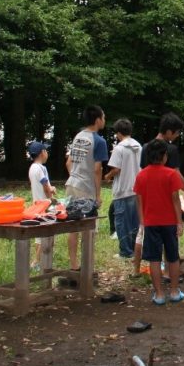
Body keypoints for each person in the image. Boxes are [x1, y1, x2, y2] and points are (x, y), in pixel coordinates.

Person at [134, 112, 184, 275]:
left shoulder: (146, 147)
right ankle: (167, 273)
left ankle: (137, 270)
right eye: (177, 132)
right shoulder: (169, 149)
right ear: (169, 131)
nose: (177, 136)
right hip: (166, 198)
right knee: (168, 238)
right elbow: (176, 174)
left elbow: (144, 172)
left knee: (145, 234)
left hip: (148, 198)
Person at [132, 138, 184, 305]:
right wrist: (179, 222)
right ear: (164, 156)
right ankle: (175, 292)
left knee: (154, 259)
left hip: (150, 223)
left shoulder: (141, 175)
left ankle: (160, 294)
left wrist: (142, 222)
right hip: (169, 222)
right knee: (173, 257)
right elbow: (176, 199)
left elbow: (139, 201)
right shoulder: (171, 174)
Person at [65, 105, 108, 274]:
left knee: (73, 226)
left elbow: (68, 162)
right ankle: (87, 265)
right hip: (87, 189)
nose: (104, 120)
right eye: (103, 117)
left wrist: (76, 176)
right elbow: (97, 170)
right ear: (98, 120)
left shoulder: (78, 137)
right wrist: (98, 194)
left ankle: (74, 264)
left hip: (71, 185)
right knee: (89, 228)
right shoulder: (99, 141)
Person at [103, 119, 143, 259]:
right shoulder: (139, 146)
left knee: (121, 222)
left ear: (118, 133)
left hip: (122, 190)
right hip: (137, 189)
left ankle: (125, 252)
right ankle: (135, 249)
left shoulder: (119, 148)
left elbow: (116, 169)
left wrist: (108, 176)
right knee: (135, 222)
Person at [27, 140, 56, 270]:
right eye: (46, 151)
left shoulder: (32, 168)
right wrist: (51, 196)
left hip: (36, 203)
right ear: (42, 153)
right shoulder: (40, 168)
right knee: (47, 234)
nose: (47, 153)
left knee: (39, 236)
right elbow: (45, 186)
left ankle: (37, 261)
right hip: (44, 204)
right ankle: (37, 261)